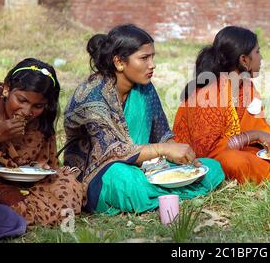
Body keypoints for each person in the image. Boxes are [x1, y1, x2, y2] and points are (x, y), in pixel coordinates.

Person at [64, 24, 224, 215]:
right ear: (119, 62)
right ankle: (164, 195)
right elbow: (111, 152)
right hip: (100, 175)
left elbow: (162, 135)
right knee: (126, 181)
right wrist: (164, 149)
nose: (152, 64)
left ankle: (161, 195)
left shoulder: (145, 88)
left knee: (212, 167)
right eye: (144, 58)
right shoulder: (93, 96)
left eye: (152, 57)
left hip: (147, 167)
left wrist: (184, 165)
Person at [173, 26, 270, 184]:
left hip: (245, 151)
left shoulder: (247, 88)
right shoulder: (208, 93)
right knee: (233, 162)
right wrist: (253, 136)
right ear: (244, 60)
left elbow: (260, 127)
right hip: (211, 159)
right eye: (258, 52)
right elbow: (207, 152)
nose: (261, 58)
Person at [0, 58, 84, 226]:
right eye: (21, 100)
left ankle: (16, 215)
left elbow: (49, 164)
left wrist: (38, 166)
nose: (28, 111)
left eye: (38, 106)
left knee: (68, 184)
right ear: (7, 89)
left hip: (21, 186)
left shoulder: (41, 121)